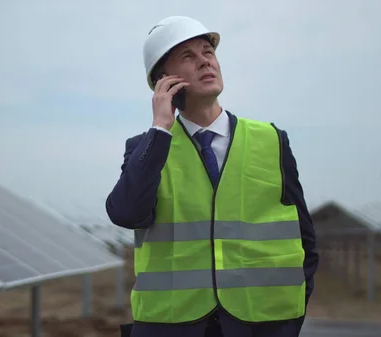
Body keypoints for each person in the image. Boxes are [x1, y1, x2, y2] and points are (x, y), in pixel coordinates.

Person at [106, 16, 318, 337]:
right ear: (165, 79)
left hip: (261, 325)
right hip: (172, 326)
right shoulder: (146, 149)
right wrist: (159, 129)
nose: (205, 60)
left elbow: (305, 239)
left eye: (208, 51)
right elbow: (126, 213)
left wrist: (288, 322)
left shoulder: (272, 140)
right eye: (188, 56)